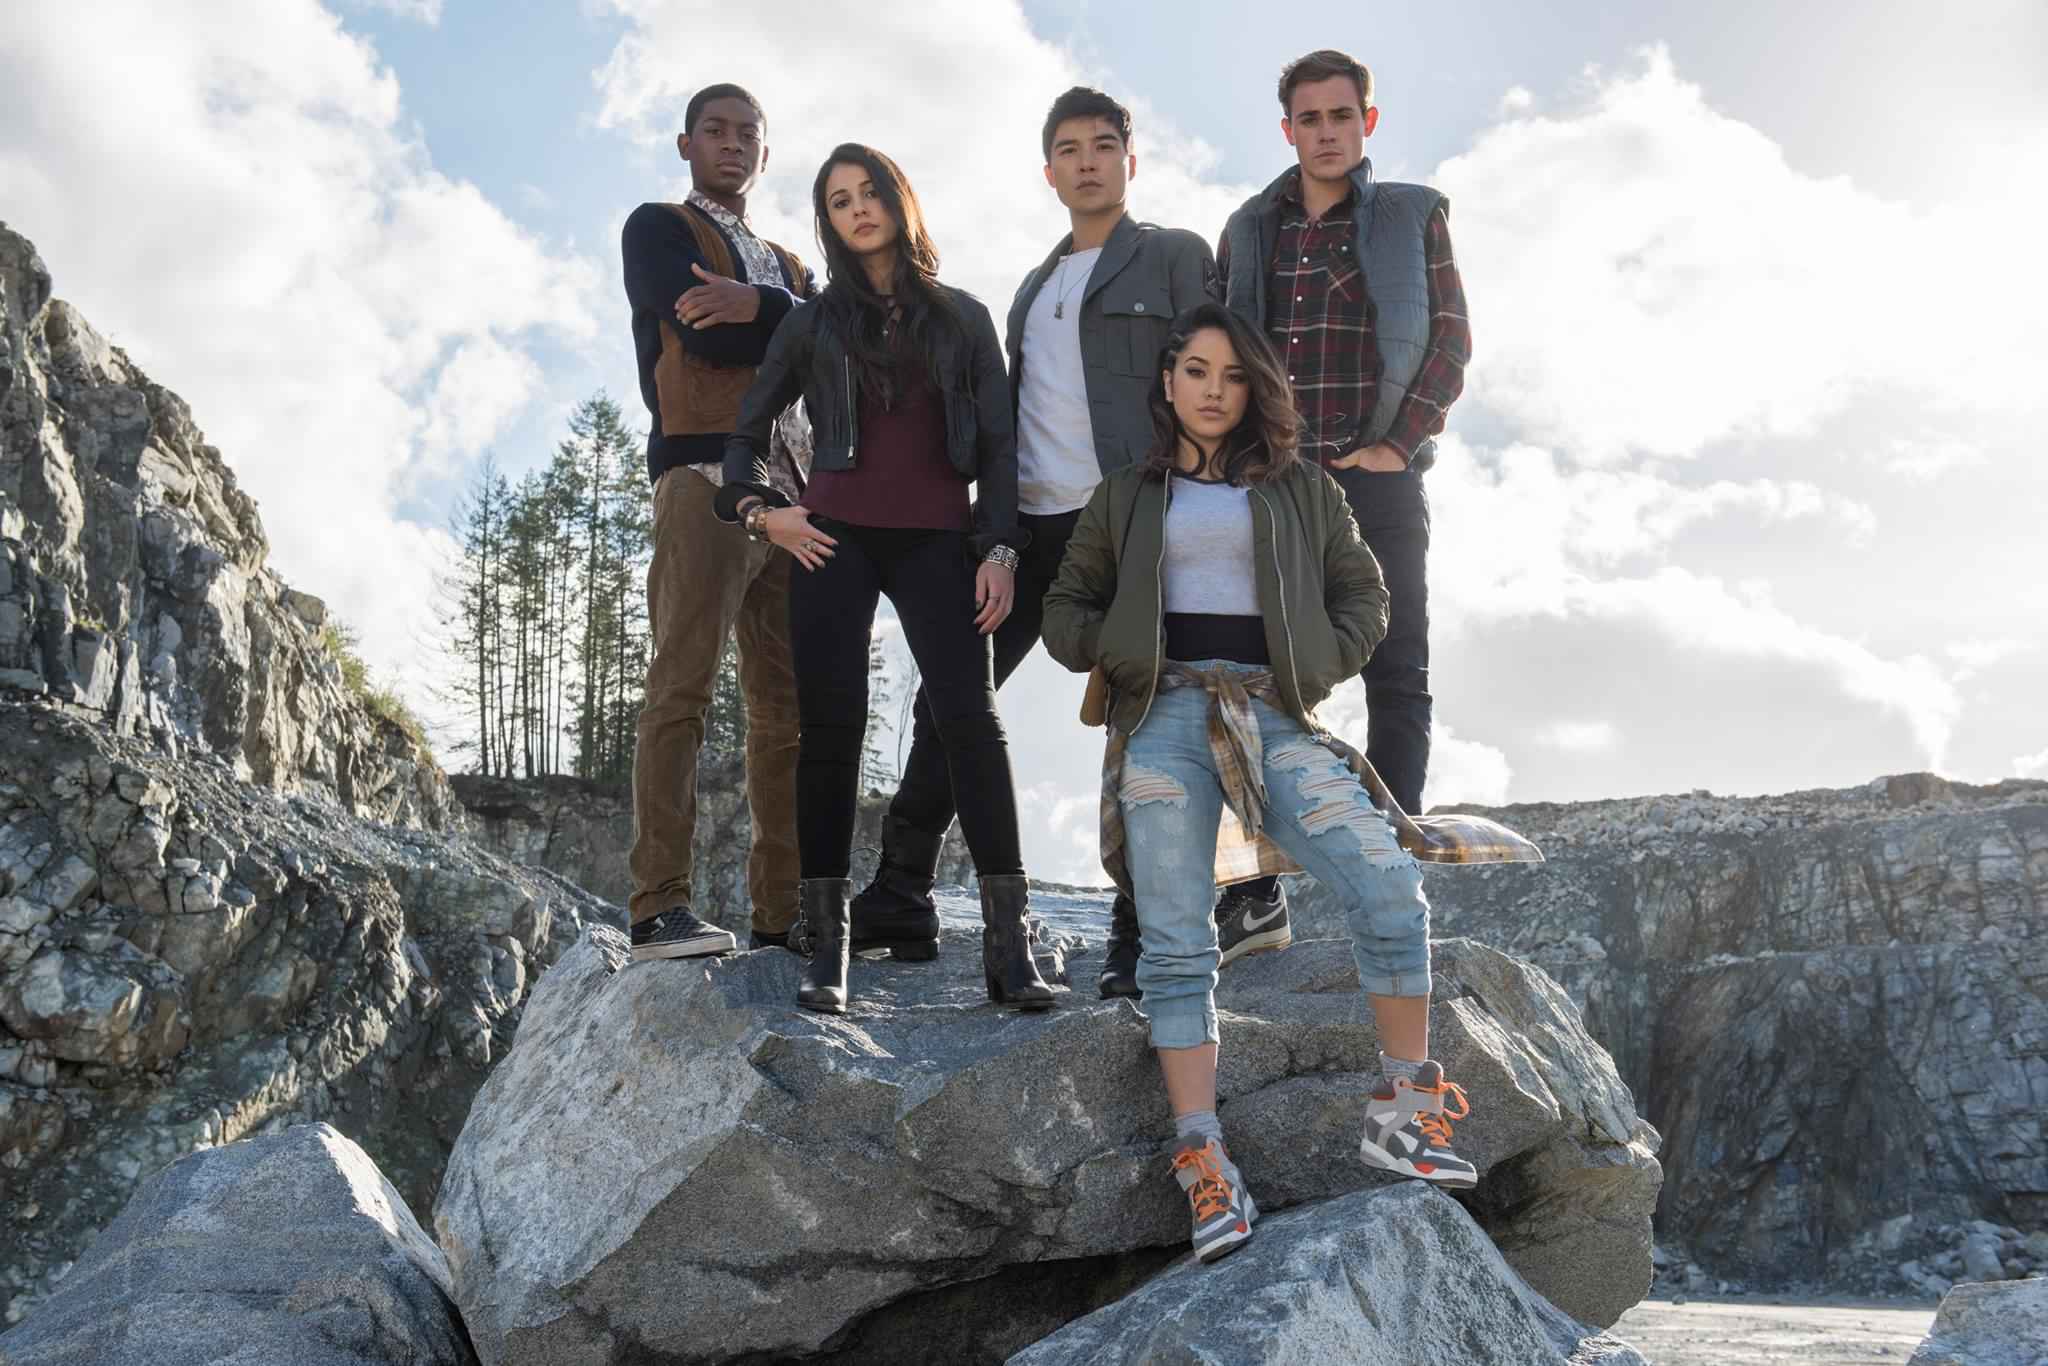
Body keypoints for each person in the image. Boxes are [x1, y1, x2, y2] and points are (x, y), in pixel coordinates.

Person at [1042, 301, 1477, 1264]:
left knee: (1389, 887)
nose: (1213, 391)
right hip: (1160, 722)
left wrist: (1310, 666)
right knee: (1174, 942)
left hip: (1274, 716)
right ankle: (1204, 1160)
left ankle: (1403, 1112)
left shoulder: (1301, 488)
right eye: (1196, 371)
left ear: (1256, 390)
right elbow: (1065, 607)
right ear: (1168, 382)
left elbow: (1366, 594)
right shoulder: (1126, 494)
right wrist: (1123, 647)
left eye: (1233, 375)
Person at [848, 87, 1218, 1001]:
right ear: (1048, 171)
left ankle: (1141, 931)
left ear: (1131, 160)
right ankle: (900, 891)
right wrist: (997, 538)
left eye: (1104, 145)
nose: (1087, 162)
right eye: (1069, 149)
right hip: (1031, 530)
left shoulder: (1174, 256)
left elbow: (1218, 380)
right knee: (952, 696)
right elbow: (1007, 426)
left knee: (1145, 720)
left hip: (1130, 518)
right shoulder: (1032, 289)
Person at [717, 144, 1056, 1016]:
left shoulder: (963, 318)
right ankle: (828, 950)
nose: (858, 209)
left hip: (938, 539)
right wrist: (764, 513)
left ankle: (1009, 948)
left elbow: (999, 450)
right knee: (829, 732)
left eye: (870, 192)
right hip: (832, 541)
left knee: (971, 723)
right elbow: (745, 436)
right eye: (839, 200)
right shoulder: (812, 323)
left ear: (899, 202)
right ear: (827, 221)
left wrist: (1001, 550)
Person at [1213, 49, 1472, 965]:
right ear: (1287, 129)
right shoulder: (1250, 229)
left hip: (1378, 480)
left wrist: (1397, 446)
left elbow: (1450, 340)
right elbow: (1218, 347)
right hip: (1273, 484)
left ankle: (1388, 873)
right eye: (1310, 119)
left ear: (1369, 120)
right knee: (1246, 683)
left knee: (1397, 672)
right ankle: (1251, 896)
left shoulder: (1413, 214)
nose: (1326, 133)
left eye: (1342, 116)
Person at [619, 83, 815, 963]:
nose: (731, 144)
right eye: (714, 130)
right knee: (682, 685)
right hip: (704, 476)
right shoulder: (659, 228)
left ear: (765, 154)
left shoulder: (788, 265)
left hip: (795, 494)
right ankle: (658, 906)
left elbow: (836, 345)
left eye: (747, 134)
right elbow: (704, 335)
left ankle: (782, 916)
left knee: (787, 711)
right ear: (686, 144)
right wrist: (783, 327)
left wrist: (765, 307)